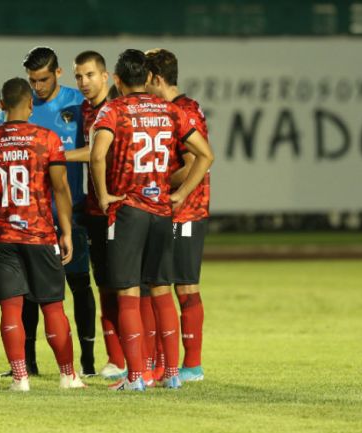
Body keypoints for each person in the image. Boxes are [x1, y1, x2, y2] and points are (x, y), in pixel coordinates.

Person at [90, 49, 214, 391]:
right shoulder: (171, 110)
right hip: (162, 210)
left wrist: (102, 195)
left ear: (116, 80)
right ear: (148, 78)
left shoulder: (113, 109)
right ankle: (171, 373)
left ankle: (136, 376)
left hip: (130, 209)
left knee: (129, 292)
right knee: (162, 290)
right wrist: (180, 193)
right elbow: (205, 155)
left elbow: (98, 155)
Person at [0, 77, 85, 391]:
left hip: (3, 235)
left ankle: (20, 378)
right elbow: (61, 187)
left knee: (11, 307)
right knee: (52, 306)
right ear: (29, 105)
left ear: (1, 105)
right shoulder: (47, 139)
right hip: (40, 234)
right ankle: (68, 375)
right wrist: (65, 230)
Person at [0, 47, 96, 377]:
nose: (37, 87)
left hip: (71, 210)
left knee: (79, 284)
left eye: (43, 80)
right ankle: (28, 363)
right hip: (27, 218)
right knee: (25, 295)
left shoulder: (76, 103)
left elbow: (98, 147)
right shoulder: (18, 106)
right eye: (32, 81)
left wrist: (58, 158)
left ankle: (88, 362)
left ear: (58, 74)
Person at [146, 48, 210, 383]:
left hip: (186, 211)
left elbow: (194, 162)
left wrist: (175, 191)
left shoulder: (182, 111)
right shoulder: (176, 108)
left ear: (155, 78)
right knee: (160, 285)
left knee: (184, 286)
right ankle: (164, 362)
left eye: (146, 78)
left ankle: (193, 366)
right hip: (170, 210)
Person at [64, 50, 127, 381]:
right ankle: (117, 357)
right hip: (94, 209)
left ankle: (140, 356)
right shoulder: (83, 110)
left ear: (106, 77)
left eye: (89, 75)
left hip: (118, 206)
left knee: (125, 285)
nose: (83, 82)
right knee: (104, 284)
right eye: (78, 76)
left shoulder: (115, 109)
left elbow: (100, 152)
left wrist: (58, 157)